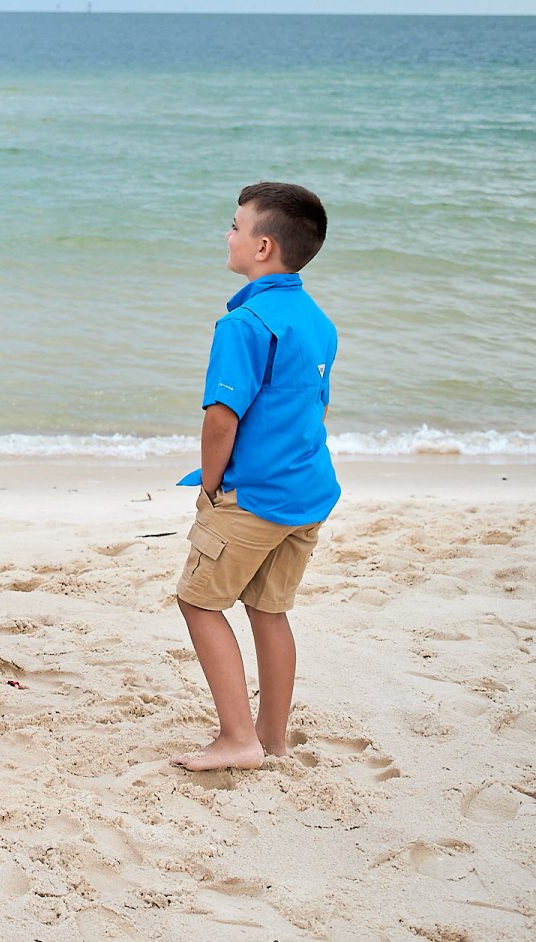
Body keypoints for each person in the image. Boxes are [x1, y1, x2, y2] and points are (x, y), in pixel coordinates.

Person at [170, 182, 339, 772]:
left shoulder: (244, 324)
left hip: (254, 497)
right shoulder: (316, 319)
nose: (228, 234)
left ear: (263, 247)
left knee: (198, 602)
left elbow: (222, 418)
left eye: (236, 226)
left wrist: (212, 487)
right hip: (307, 491)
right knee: (269, 610)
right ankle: (272, 739)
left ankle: (238, 737)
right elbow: (312, 407)